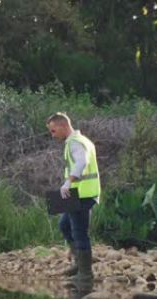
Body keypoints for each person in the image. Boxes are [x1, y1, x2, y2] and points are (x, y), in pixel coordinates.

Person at [47, 112, 101, 281]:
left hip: (82, 195)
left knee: (79, 233)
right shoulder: (81, 140)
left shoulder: (75, 143)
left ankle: (85, 274)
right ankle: (79, 264)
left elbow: (82, 162)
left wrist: (68, 182)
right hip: (79, 194)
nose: (52, 134)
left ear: (64, 126)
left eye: (53, 131)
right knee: (64, 226)